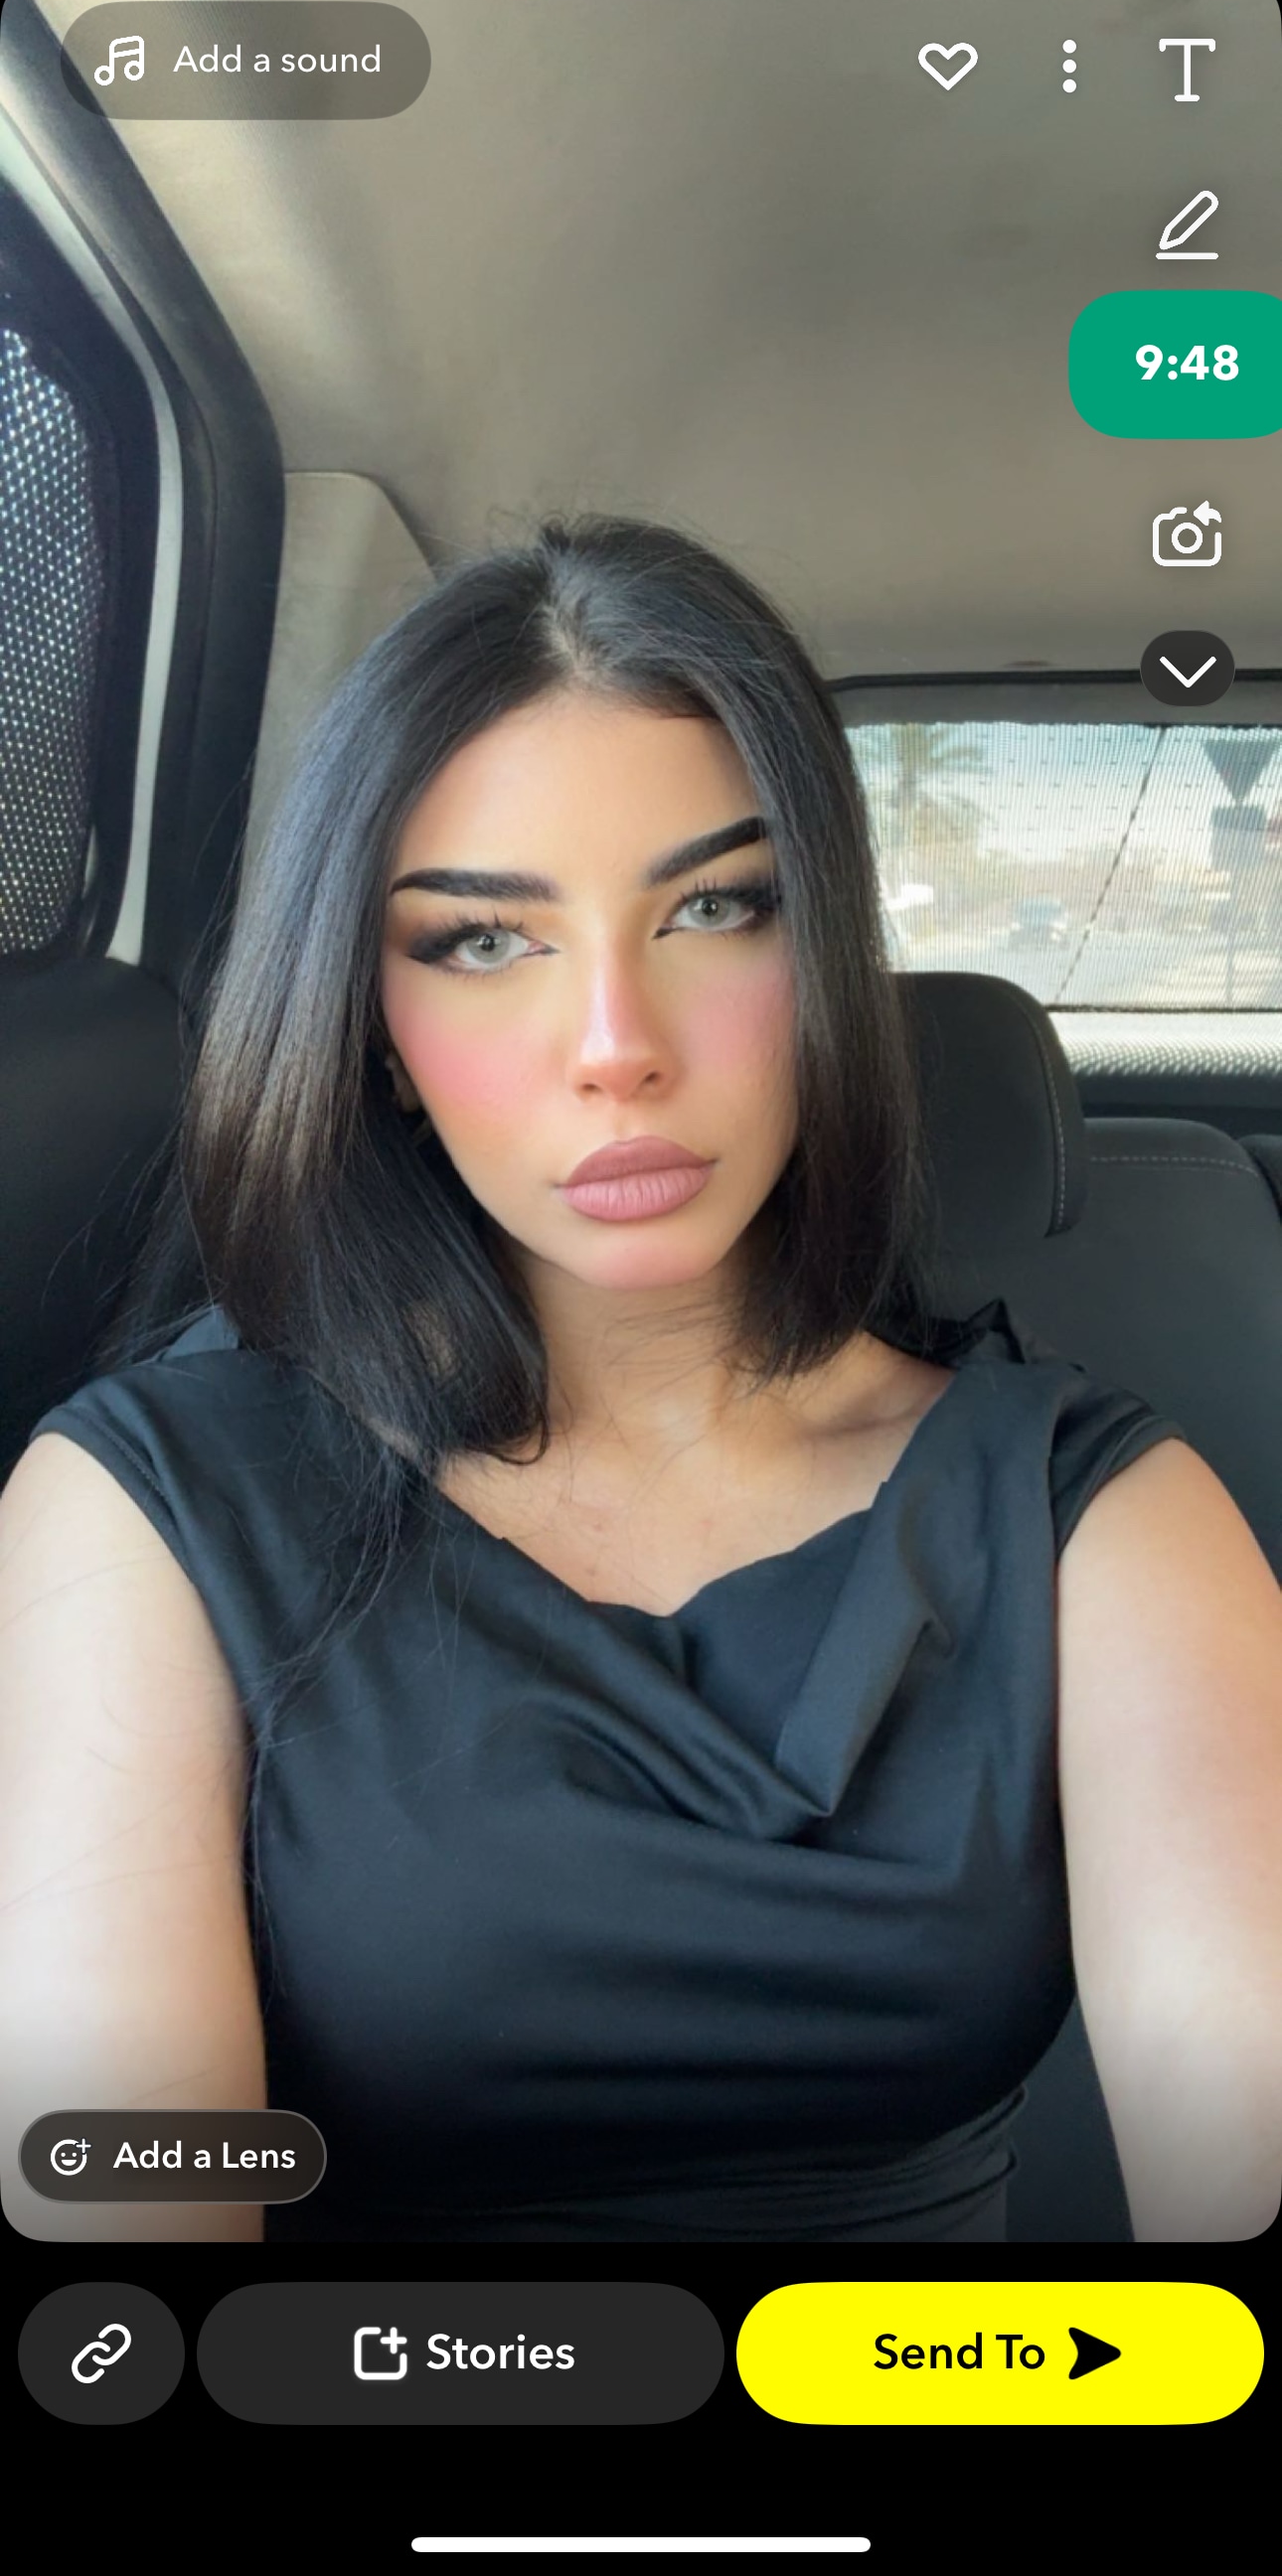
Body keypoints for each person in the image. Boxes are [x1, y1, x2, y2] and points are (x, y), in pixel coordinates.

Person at [2, 517, 1280, 2247]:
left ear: (825, 962)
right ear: (376, 1029)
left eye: (715, 908)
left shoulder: (1098, 1519)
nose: (618, 1047)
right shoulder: (148, 1510)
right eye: (481, 940)